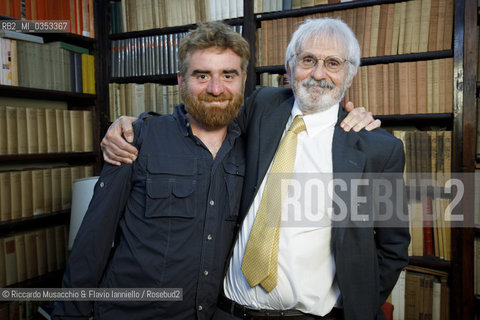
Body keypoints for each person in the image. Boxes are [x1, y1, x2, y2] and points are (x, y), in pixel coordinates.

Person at [100, 19, 404, 320]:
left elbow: (393, 247)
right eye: (308, 60)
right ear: (289, 68)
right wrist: (138, 127)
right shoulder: (263, 106)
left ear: (350, 74)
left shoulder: (379, 150)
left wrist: (359, 305)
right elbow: (205, 117)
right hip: (226, 310)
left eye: (333, 63)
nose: (318, 73)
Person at [52, 21, 250, 320]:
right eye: (201, 75)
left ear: (243, 80)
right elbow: (92, 241)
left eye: (228, 75)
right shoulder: (137, 139)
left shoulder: (252, 147)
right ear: (181, 80)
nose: (216, 88)